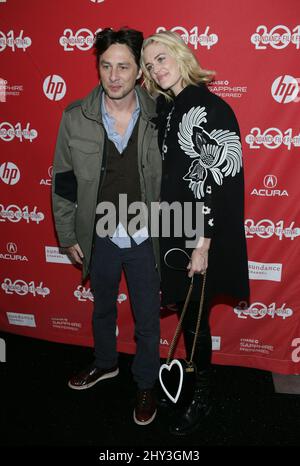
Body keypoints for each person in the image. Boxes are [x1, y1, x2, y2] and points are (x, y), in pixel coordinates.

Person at [141, 31, 250, 435]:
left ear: (182, 56)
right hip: (174, 227)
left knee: (197, 320)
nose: (156, 69)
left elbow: (219, 182)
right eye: (149, 66)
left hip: (200, 233)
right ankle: (194, 386)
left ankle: (202, 395)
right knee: (190, 320)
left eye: (162, 58)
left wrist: (202, 245)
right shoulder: (169, 109)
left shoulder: (210, 107)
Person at [52, 28, 162, 426]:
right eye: (106, 65)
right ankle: (105, 363)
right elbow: (64, 180)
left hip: (146, 235)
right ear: (97, 68)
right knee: (102, 310)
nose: (114, 76)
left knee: (148, 318)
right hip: (99, 234)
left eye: (123, 66)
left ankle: (146, 381)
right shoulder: (74, 118)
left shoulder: (161, 115)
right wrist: (67, 235)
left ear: (139, 73)